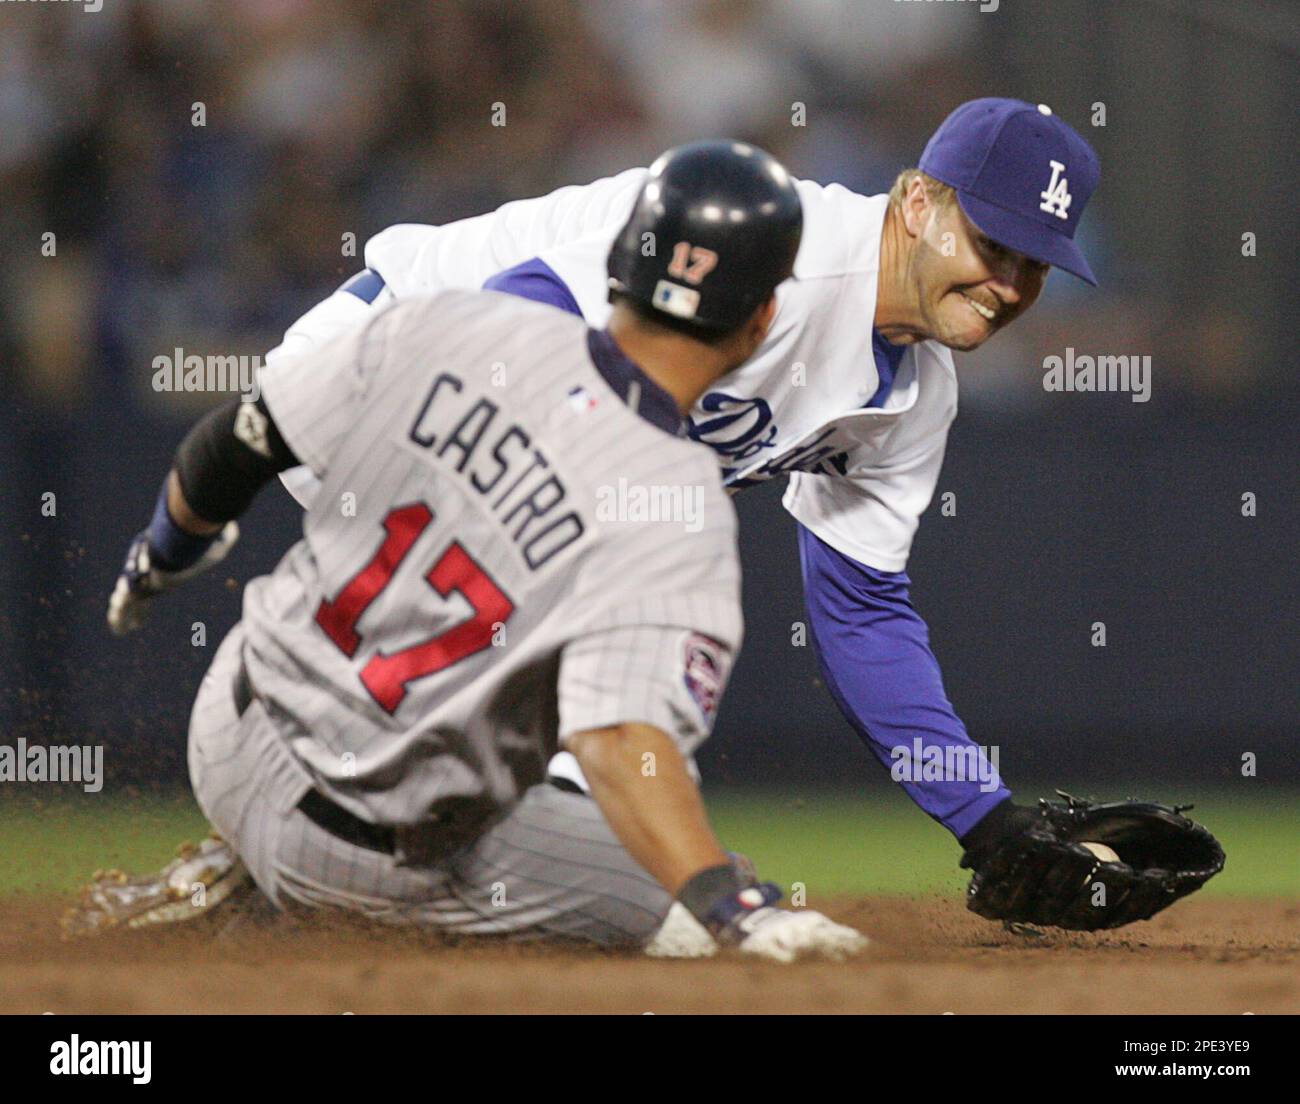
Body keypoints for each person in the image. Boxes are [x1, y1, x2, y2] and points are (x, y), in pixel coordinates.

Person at [87, 142, 867, 963]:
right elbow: (617, 741)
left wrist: (161, 556)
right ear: (761, 322)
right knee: (677, 910)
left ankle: (233, 869)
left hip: (226, 735)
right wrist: (729, 905)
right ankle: (283, 901)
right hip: (367, 859)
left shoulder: (453, 319)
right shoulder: (675, 503)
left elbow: (235, 443)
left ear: (617, 262)